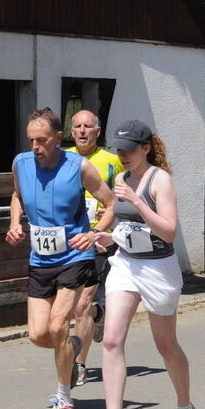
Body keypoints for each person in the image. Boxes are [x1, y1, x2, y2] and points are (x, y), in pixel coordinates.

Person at [88, 120, 197, 409]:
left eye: (129, 149)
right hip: (126, 265)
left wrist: (136, 201)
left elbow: (168, 232)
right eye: (119, 148)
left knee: (166, 345)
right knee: (110, 339)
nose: (122, 155)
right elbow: (127, 227)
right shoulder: (120, 178)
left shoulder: (159, 181)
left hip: (158, 270)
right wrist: (109, 237)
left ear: (146, 148)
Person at [6, 108, 113, 409]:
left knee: (56, 327)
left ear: (57, 138)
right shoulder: (20, 164)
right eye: (31, 141)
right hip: (40, 259)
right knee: (39, 335)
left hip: (74, 257)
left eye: (41, 140)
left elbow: (110, 204)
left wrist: (94, 233)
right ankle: (75, 343)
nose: (35, 147)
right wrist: (15, 222)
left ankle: (64, 399)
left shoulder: (79, 167)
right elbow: (16, 195)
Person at [67, 110, 121, 386]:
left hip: (101, 240)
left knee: (82, 306)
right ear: (71, 130)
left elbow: (128, 195)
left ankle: (80, 364)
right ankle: (99, 316)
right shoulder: (62, 159)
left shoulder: (112, 161)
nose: (83, 131)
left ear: (98, 131)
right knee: (77, 307)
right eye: (78, 126)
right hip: (69, 242)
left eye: (88, 126)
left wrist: (113, 212)